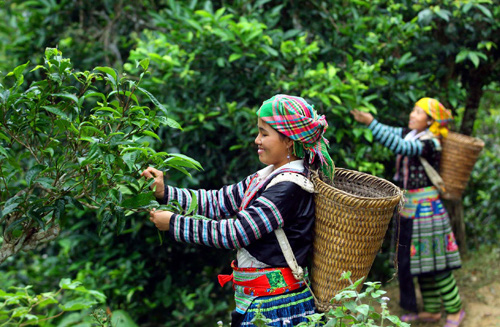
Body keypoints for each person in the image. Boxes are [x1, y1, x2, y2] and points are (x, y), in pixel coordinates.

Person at [141, 95, 335, 327]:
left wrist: (174, 223)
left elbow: (236, 232)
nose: (257, 140)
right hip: (260, 301)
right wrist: (165, 193)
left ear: (289, 141)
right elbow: (218, 201)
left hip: (277, 307)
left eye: (264, 134)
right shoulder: (266, 177)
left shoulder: (288, 188)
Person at [350, 98, 465, 327]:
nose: (412, 115)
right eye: (413, 110)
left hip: (427, 209)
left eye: (418, 112)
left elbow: (400, 147)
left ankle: (454, 309)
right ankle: (432, 310)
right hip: (410, 207)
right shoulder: (410, 133)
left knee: (436, 261)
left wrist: (371, 122)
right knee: (419, 261)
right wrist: (368, 120)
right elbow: (386, 130)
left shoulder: (431, 142)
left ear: (430, 121)